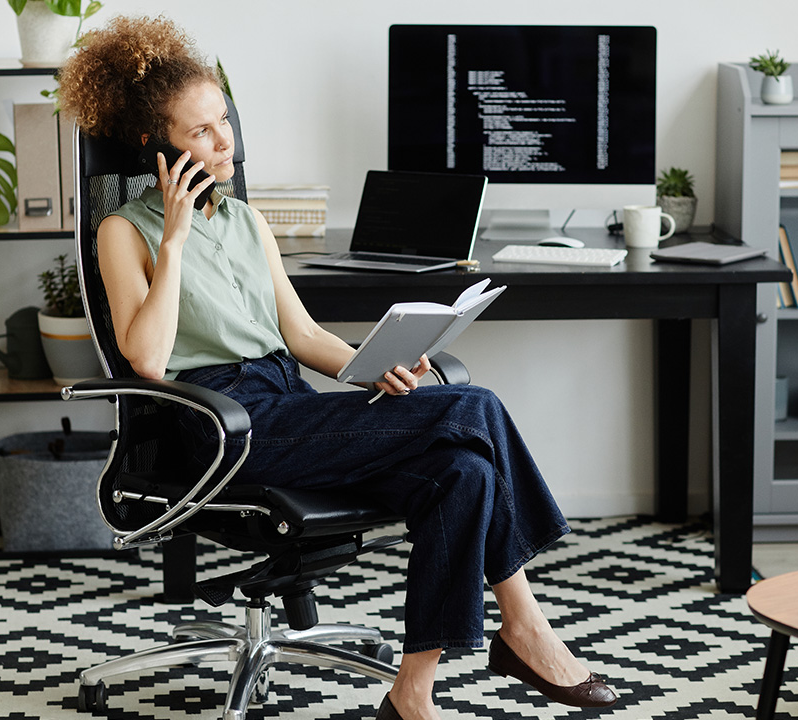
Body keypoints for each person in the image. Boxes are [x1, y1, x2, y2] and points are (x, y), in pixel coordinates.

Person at [56, 15, 616, 720]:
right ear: (155, 144)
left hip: (284, 404)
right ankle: (526, 626)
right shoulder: (123, 231)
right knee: (475, 408)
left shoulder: (244, 222)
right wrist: (172, 242)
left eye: (224, 120)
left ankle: (412, 695)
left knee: (464, 472)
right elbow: (146, 358)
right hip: (219, 426)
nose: (224, 141)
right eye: (200, 132)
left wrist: (370, 368)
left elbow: (301, 333)